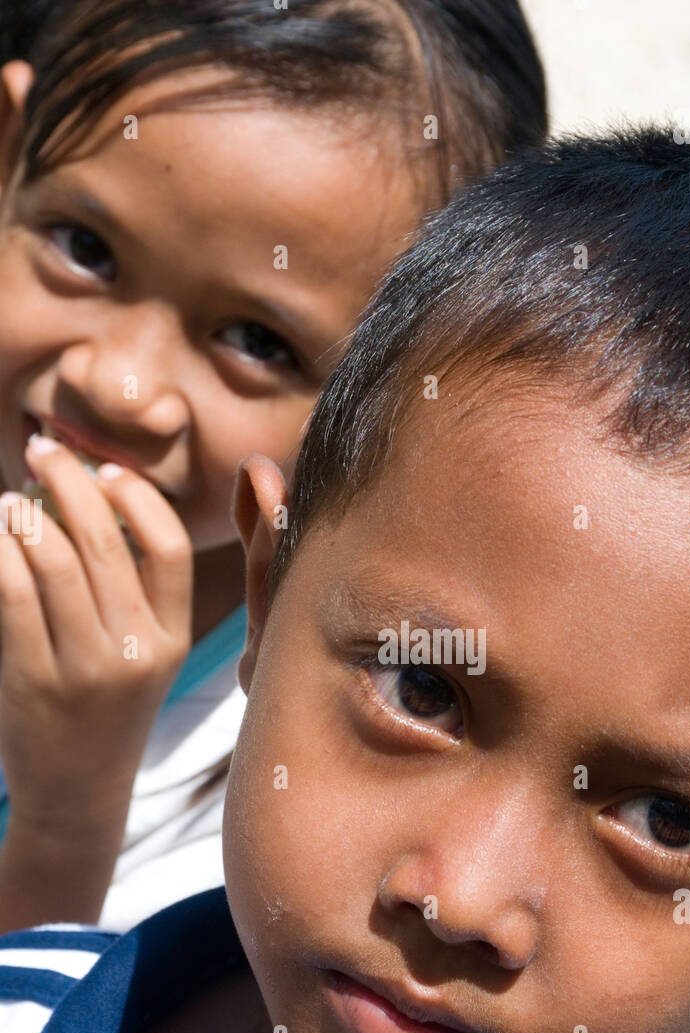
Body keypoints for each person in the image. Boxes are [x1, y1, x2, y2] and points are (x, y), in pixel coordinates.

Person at [7, 127, 690, 1033]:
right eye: (421, 691)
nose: (459, 897)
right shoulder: (17, 1031)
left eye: (666, 821)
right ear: (266, 596)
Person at [0, 0, 547, 931]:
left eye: (257, 340)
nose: (121, 384)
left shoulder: (288, 748)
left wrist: (69, 809)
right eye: (85, 249)